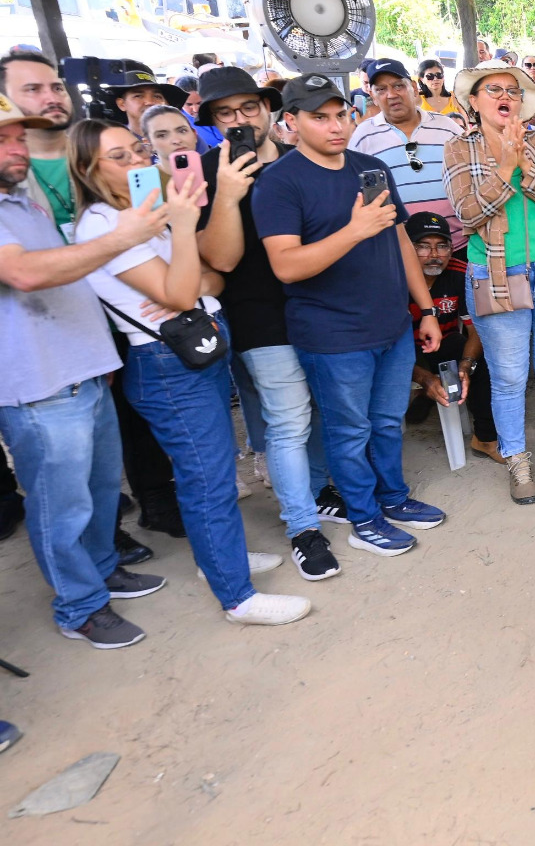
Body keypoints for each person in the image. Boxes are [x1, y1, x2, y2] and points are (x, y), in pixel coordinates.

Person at [69, 118, 312, 627]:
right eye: (120, 157)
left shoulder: (140, 211)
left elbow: (215, 273)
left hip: (194, 350)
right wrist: (182, 237)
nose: (138, 161)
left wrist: (200, 237)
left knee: (215, 472)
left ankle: (220, 561)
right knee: (209, 483)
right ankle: (236, 597)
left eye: (135, 150)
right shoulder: (102, 224)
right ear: (88, 171)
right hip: (167, 365)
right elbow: (182, 293)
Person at [0, 94, 175, 647]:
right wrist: (123, 237)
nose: (16, 146)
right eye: (3, 138)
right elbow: (24, 275)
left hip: (85, 372)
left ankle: (101, 572)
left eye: (17, 135)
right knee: (60, 505)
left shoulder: (24, 205)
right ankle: (79, 607)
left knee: (100, 491)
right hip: (40, 387)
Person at [254, 74, 449, 557]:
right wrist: (355, 230)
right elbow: (286, 265)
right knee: (349, 431)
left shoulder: (370, 167)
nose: (335, 126)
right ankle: (364, 519)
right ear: (291, 123)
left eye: (340, 114)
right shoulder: (278, 182)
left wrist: (424, 309)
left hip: (392, 324)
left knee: (387, 422)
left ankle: (393, 498)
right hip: (333, 332)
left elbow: (401, 239)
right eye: (319, 117)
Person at [194, 67, 345, 581]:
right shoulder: (204, 172)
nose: (240, 119)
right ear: (214, 121)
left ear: (268, 108)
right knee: (288, 421)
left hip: (319, 305)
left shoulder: (295, 159)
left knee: (324, 408)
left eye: (248, 108)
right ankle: (303, 528)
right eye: (225, 113)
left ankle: (318, 491)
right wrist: (229, 194)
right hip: (258, 314)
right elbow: (220, 260)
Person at [442, 59, 535, 505]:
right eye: (494, 90)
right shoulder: (460, 148)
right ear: (474, 101)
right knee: (507, 375)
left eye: (513, 90)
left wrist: (525, 164)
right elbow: (466, 215)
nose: (506, 96)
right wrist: (504, 169)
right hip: (496, 274)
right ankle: (517, 458)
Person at [350, 58, 467, 253]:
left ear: (413, 87)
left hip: (455, 247)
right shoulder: (362, 137)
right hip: (397, 251)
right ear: (372, 94)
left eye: (398, 86)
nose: (391, 95)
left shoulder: (448, 127)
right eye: (381, 89)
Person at [404, 213, 496, 459]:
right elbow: (384, 347)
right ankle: (424, 390)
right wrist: (425, 378)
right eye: (423, 246)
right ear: (406, 249)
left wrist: (466, 365)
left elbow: (475, 330)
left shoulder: (460, 273)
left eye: (442, 245)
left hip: (441, 346)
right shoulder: (391, 279)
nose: (434, 254)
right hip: (399, 352)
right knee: (393, 354)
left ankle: (485, 439)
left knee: (474, 356)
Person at [0, 51, 76, 229]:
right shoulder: (7, 167)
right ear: (4, 99)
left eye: (58, 88)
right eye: (33, 89)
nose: (53, 99)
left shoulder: (101, 151)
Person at [105, 64, 186, 139]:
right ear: (122, 104)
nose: (150, 102)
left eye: (157, 96)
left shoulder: (181, 138)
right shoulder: (113, 142)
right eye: (138, 96)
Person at [140, 105, 198, 173]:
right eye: (162, 135)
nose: (177, 140)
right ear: (149, 144)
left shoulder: (213, 165)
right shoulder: (147, 180)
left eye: (182, 131)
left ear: (194, 134)